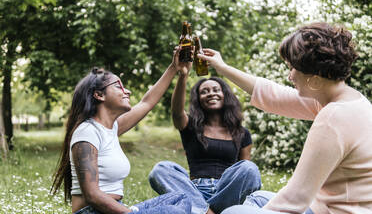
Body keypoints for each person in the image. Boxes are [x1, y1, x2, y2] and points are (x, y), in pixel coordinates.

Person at [197, 22, 372, 214]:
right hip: (321, 207)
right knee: (257, 198)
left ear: (314, 79)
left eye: (292, 68)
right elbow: (274, 96)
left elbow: (294, 200)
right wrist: (223, 68)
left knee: (234, 212)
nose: (290, 76)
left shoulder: (333, 118)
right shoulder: (348, 99)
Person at [50, 47, 191, 214]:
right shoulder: (87, 131)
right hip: (93, 212)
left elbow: (146, 103)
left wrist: (174, 68)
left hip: (119, 209)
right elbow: (92, 195)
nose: (127, 91)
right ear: (99, 95)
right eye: (119, 86)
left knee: (182, 199)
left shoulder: (110, 128)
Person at [148, 58, 261, 214]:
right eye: (204, 92)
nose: (211, 94)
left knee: (249, 168)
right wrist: (183, 76)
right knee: (161, 169)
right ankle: (206, 210)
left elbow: (245, 176)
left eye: (216, 89)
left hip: (226, 193)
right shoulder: (190, 126)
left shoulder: (242, 133)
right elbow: (176, 111)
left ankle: (201, 211)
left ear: (225, 95)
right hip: (194, 191)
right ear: (198, 100)